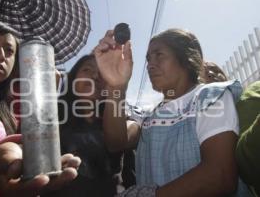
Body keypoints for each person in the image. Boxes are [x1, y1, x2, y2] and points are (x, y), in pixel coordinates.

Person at [94, 28, 252, 196]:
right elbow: (116, 141)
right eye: (148, 58)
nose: (150, 64)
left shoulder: (210, 96)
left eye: (159, 54)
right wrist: (116, 87)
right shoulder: (147, 117)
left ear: (186, 58)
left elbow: (220, 176)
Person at [0, 19, 81, 197]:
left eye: (9, 50)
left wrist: (45, 96)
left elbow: (32, 142)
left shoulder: (6, 108)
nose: (0, 54)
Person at [43, 54, 135, 197]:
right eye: (87, 70)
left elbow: (118, 141)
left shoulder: (125, 122)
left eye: (102, 73)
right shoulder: (53, 116)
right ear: (73, 78)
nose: (95, 76)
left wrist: (118, 87)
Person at [236, 81, 260, 196]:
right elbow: (248, 165)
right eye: (207, 74)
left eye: (216, 70)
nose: (213, 74)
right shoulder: (251, 96)